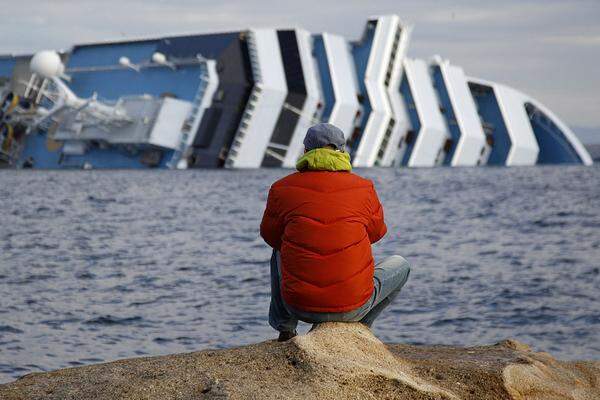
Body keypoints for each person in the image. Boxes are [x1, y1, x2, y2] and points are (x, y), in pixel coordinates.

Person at [260, 123, 410, 341]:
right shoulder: (364, 187)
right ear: (342, 151)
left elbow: (270, 236)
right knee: (401, 265)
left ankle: (286, 328)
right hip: (352, 308)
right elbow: (376, 234)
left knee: (279, 249)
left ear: (305, 151)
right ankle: (357, 327)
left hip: (298, 306)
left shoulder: (281, 187)